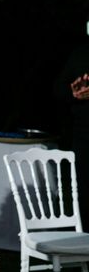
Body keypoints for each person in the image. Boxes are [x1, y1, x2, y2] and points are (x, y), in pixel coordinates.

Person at [54, 24, 89, 224]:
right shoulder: (81, 54)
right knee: (85, 192)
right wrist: (73, 92)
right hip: (84, 134)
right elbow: (58, 90)